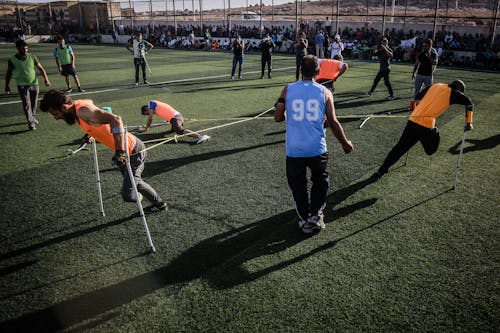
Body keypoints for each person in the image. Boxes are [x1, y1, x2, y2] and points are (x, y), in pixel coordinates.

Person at [39, 89, 168, 213]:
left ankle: (145, 198)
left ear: (64, 107)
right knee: (136, 183)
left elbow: (116, 120)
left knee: (129, 194)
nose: (56, 118)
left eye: (55, 114)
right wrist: (91, 134)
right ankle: (160, 204)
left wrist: (120, 152)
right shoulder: (77, 107)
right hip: (125, 152)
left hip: (133, 151)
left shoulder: (82, 111)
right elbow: (92, 107)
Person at [274, 55, 353, 234]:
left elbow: (278, 117)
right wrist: (345, 143)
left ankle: (304, 220)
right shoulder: (325, 92)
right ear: (318, 72)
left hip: (294, 150)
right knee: (320, 182)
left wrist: (285, 112)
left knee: (298, 186)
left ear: (300, 70)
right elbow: (333, 122)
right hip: (317, 148)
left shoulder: (288, 89)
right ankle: (316, 215)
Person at [372, 80, 474, 179]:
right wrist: (469, 123)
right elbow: (469, 103)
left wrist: (416, 110)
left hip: (412, 121)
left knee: (399, 148)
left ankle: (381, 170)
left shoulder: (436, 85)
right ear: (459, 89)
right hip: (426, 127)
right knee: (430, 150)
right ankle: (436, 132)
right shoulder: (454, 93)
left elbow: (417, 97)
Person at [4, 40, 51, 130]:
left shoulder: (32, 56)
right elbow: (8, 73)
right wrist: (7, 85)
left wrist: (46, 79)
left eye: (26, 48)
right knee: (27, 104)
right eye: (23, 48)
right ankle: (31, 123)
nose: (25, 50)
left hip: (34, 84)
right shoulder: (12, 59)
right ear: (17, 48)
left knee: (34, 104)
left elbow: (41, 68)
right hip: (22, 85)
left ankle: (32, 117)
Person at [139, 100, 210, 144]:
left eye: (147, 113)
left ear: (146, 109)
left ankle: (200, 136)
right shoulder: (155, 107)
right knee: (173, 130)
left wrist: (146, 128)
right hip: (175, 118)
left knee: (179, 130)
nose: (149, 114)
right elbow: (165, 110)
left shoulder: (151, 103)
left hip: (176, 117)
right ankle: (175, 127)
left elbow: (150, 119)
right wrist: (167, 119)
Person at [410, 38, 438, 110]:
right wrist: (413, 73)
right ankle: (416, 105)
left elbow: (434, 63)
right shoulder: (421, 54)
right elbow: (417, 64)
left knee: (429, 92)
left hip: (428, 75)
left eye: (426, 46)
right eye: (424, 46)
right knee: (417, 91)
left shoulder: (434, 54)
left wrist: (429, 56)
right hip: (419, 75)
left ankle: (427, 105)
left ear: (430, 46)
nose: (425, 47)